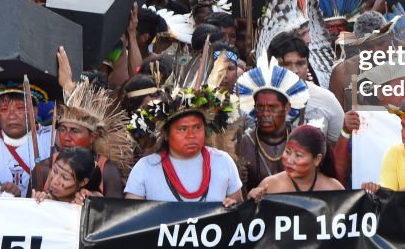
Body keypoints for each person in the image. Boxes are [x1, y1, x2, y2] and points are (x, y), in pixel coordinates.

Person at [28, 51, 133, 197]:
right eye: (62, 129)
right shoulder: (43, 169)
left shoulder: (107, 170)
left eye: (75, 131)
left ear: (93, 136)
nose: (66, 137)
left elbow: (115, 215)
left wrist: (96, 204)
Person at [125, 76, 242, 204]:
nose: (191, 135)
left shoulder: (223, 162)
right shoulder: (145, 168)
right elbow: (132, 216)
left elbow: (240, 211)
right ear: (166, 134)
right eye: (182, 129)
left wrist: (234, 207)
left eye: (197, 127)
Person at [237, 54, 310, 190]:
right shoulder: (243, 145)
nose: (265, 113)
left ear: (287, 108)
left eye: (272, 107)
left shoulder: (302, 140)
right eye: (260, 107)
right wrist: (240, 182)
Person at [248, 125, 343, 199]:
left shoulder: (334, 189)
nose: (289, 160)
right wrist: (251, 199)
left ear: (317, 159)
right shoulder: (269, 186)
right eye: (287, 152)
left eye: (298, 155)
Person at [32, 147, 100, 204]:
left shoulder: (89, 201)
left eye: (65, 178)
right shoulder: (45, 199)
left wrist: (94, 203)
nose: (55, 181)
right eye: (55, 171)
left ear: (83, 182)